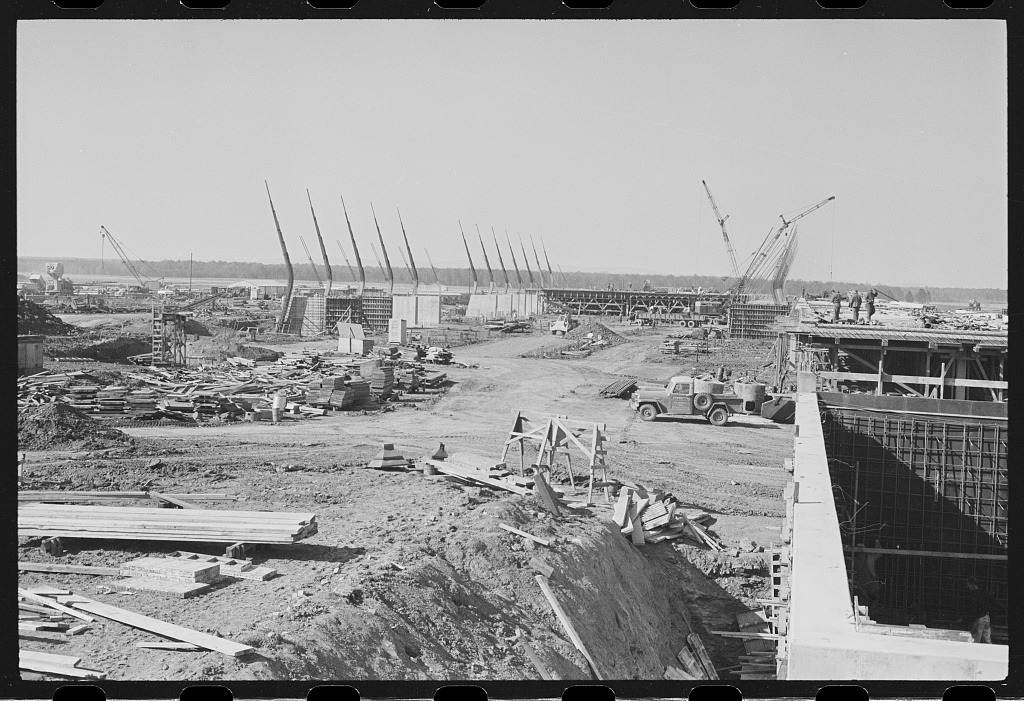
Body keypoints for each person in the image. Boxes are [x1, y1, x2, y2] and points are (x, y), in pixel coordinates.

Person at [964, 577, 992, 643]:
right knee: (987, 639)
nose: (968, 587)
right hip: (986, 617)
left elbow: (974, 610)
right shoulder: (984, 593)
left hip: (979, 619)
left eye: (968, 585)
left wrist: (966, 619)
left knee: (975, 639)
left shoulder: (973, 595)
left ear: (972, 584)